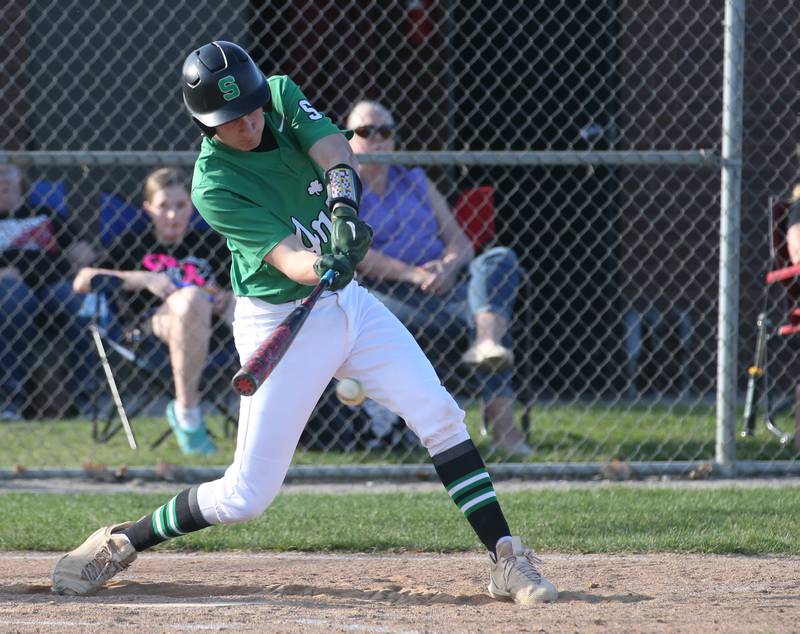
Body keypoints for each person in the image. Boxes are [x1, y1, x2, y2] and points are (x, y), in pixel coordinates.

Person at [51, 41, 557, 605]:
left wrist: (342, 211)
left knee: (438, 413)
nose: (247, 122)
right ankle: (126, 538)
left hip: (351, 306)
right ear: (202, 121)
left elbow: (337, 152)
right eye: (230, 119)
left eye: (251, 107)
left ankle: (507, 559)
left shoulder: (282, 95)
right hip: (279, 318)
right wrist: (324, 260)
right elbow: (289, 259)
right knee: (246, 497)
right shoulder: (213, 182)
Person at [346, 100, 530, 453]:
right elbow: (358, 255)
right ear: (349, 139)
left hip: (445, 287)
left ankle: (486, 346)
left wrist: (446, 266)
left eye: (386, 132)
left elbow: (460, 242)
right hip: (389, 294)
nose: (378, 140)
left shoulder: (415, 179)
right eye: (366, 132)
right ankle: (479, 429)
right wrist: (414, 275)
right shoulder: (345, 189)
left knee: (498, 260)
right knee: (478, 314)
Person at [72, 167, 234, 455]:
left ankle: (276, 406)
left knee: (242, 302)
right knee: (191, 299)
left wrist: (225, 296)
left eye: (181, 206)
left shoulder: (209, 243)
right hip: (152, 330)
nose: (172, 215)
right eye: (163, 207)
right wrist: (144, 278)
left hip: (216, 329)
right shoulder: (133, 244)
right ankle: (188, 412)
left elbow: (237, 285)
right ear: (148, 209)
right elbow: (83, 280)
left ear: (191, 206)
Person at [0, 164, 97, 420]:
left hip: (54, 283)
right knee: (15, 300)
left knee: (80, 304)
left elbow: (79, 249)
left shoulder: (45, 215)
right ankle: (11, 401)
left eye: (6, 172)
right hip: (9, 290)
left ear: (19, 177)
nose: (2, 180)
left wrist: (82, 256)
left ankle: (86, 400)